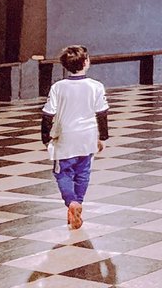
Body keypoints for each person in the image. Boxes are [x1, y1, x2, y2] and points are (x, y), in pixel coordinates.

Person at [40, 46, 109, 230]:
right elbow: (102, 114)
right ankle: (78, 202)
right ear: (86, 62)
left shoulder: (58, 87)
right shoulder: (96, 86)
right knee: (83, 172)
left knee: (62, 172)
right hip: (88, 137)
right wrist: (103, 137)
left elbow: (48, 114)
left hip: (65, 137)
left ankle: (71, 203)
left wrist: (45, 137)